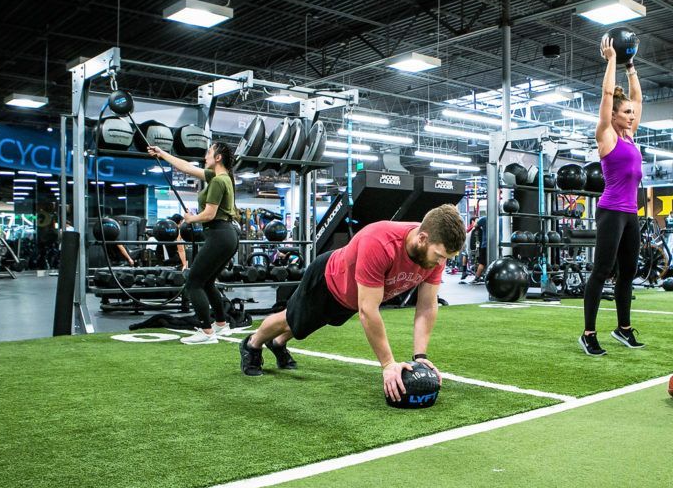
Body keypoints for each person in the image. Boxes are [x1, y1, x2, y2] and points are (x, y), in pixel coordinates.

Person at [238, 205, 466, 402]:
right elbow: (368, 311)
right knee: (289, 320)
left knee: (305, 326)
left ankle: (277, 344)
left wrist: (421, 358)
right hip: (327, 281)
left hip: (350, 298)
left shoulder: (434, 254)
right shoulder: (380, 241)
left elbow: (426, 306)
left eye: (447, 257)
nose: (441, 263)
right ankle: (252, 344)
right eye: (439, 255)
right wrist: (388, 365)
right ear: (422, 238)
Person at [579, 33, 645, 356]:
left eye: (632, 113)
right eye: (627, 112)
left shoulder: (630, 137)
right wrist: (613, 61)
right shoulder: (606, 136)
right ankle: (588, 334)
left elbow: (638, 99)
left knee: (628, 273)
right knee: (601, 271)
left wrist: (631, 67)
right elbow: (608, 93)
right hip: (610, 211)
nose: (632, 115)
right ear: (614, 115)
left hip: (631, 213)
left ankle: (623, 328)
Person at [147, 141, 240, 345]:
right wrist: (162, 154)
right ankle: (221, 325)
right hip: (226, 236)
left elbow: (209, 214)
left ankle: (206, 331)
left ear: (218, 158)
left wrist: (191, 219)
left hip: (219, 234)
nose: (205, 156)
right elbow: (187, 167)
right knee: (206, 282)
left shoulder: (217, 181)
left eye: (208, 153)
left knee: (194, 282)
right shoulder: (220, 177)